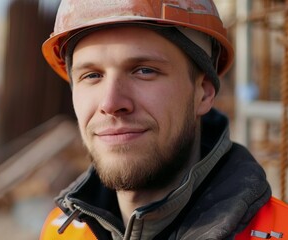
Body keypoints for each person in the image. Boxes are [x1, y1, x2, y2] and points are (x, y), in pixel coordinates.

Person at [40, 0, 288, 239]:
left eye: (144, 70)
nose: (111, 104)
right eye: (92, 75)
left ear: (203, 91)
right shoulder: (63, 231)